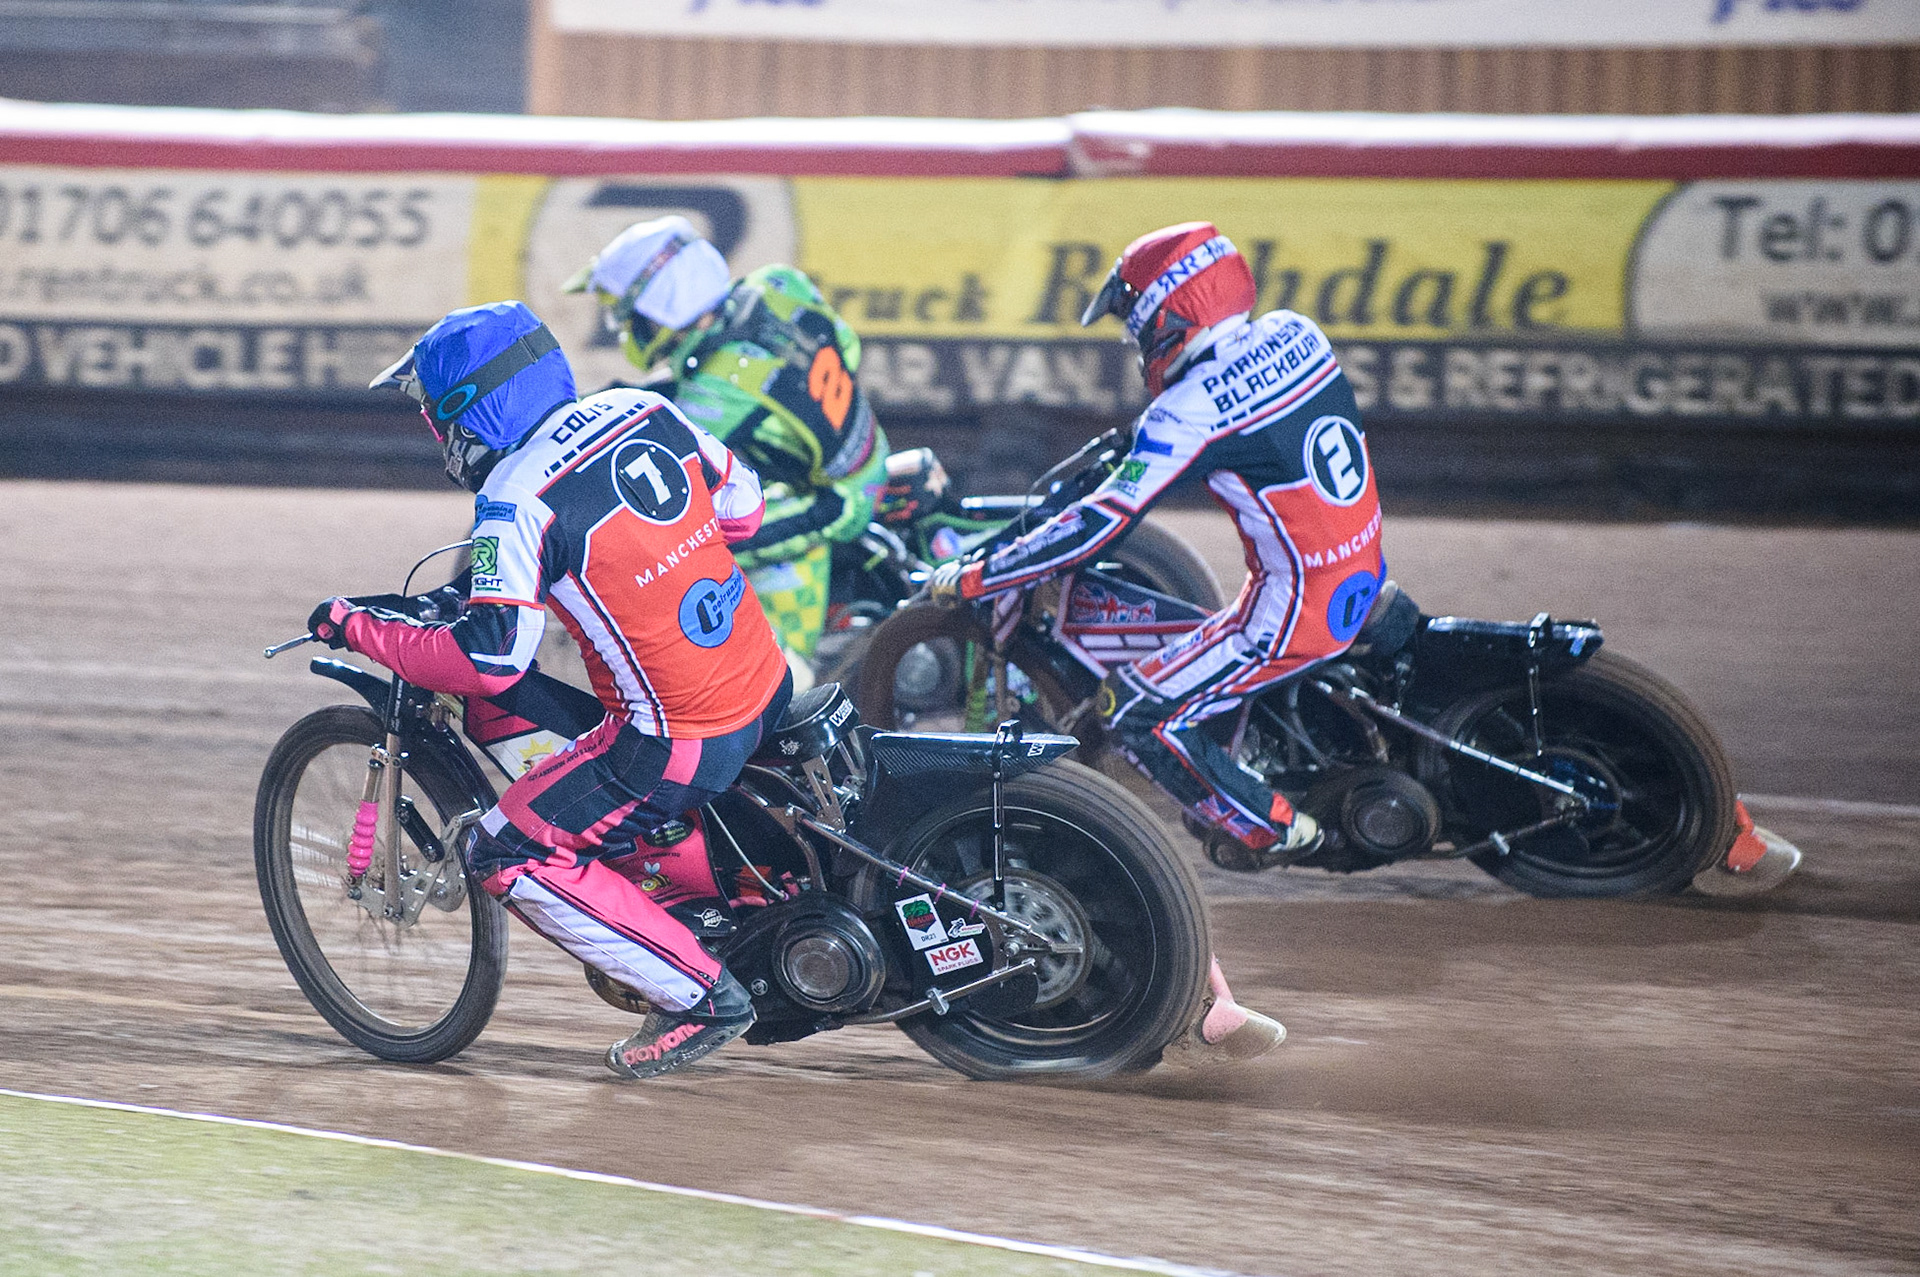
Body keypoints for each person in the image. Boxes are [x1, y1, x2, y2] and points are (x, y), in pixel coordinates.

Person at [307, 300, 792, 1080]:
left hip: (674, 739)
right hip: (765, 680)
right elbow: (745, 510)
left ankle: (701, 994)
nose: (438, 438)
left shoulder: (515, 495)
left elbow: (491, 660)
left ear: (470, 410)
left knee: (502, 847)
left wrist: (357, 626)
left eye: (437, 417)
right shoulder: (647, 407)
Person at [933, 221, 1386, 872]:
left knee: (1136, 710)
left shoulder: (1190, 409)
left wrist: (984, 574)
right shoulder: (1296, 332)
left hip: (1293, 610)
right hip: (1360, 564)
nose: (1137, 340)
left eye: (1135, 324)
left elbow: (1098, 525)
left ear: (1169, 312)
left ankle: (1277, 831)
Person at [562, 216, 890, 682]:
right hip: (866, 443)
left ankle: (790, 679)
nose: (623, 326)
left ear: (657, 309)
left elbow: (653, 437)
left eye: (625, 313)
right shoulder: (779, 282)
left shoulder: (716, 390)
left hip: (840, 497)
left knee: (695, 543)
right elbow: (849, 349)